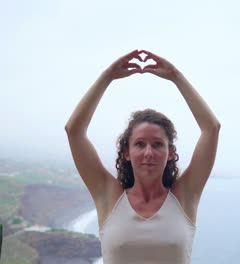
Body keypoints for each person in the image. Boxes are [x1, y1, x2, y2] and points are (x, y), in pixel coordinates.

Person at [65, 49, 220, 263]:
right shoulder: (108, 196)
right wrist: (107, 76)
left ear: (170, 153)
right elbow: (74, 132)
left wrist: (176, 76)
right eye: (139, 144)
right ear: (127, 152)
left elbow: (211, 129)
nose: (148, 152)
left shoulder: (185, 196)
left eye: (157, 144)